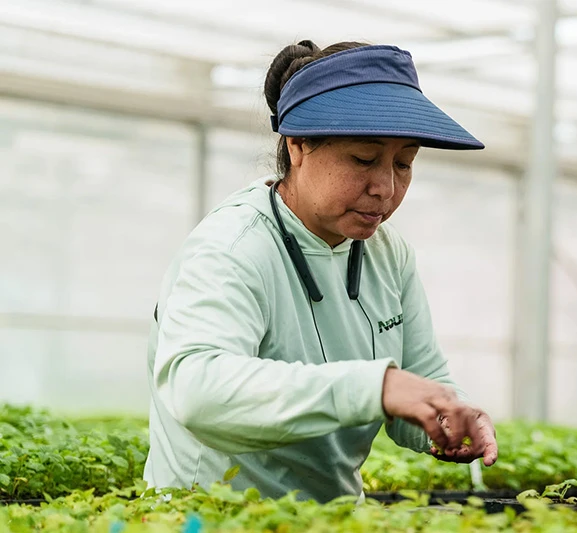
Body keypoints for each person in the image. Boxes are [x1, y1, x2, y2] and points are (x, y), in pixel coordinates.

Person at [143, 40, 499, 503]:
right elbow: (198, 388)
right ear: (298, 146)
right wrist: (376, 386)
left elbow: (422, 374)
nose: (386, 188)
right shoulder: (233, 247)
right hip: (212, 513)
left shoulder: (389, 255)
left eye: (404, 163)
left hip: (332, 516)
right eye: (364, 160)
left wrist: (448, 416)